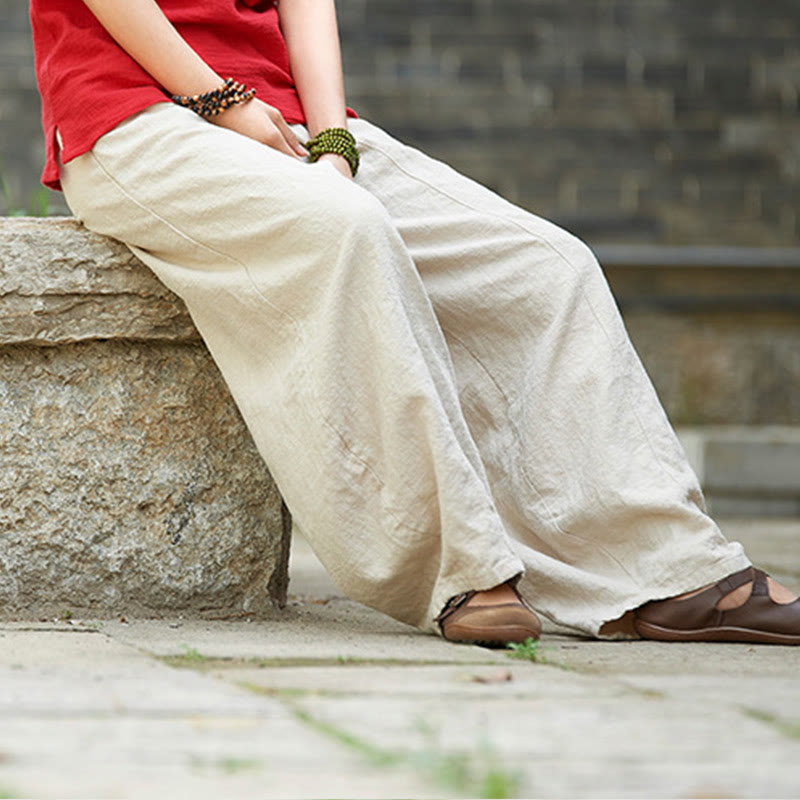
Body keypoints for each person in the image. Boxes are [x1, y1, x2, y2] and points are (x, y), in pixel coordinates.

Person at [30, 0, 800, 646]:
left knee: (544, 267)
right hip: (130, 119)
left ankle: (665, 575)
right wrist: (222, 102)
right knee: (344, 229)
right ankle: (458, 572)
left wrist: (332, 142)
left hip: (286, 118)